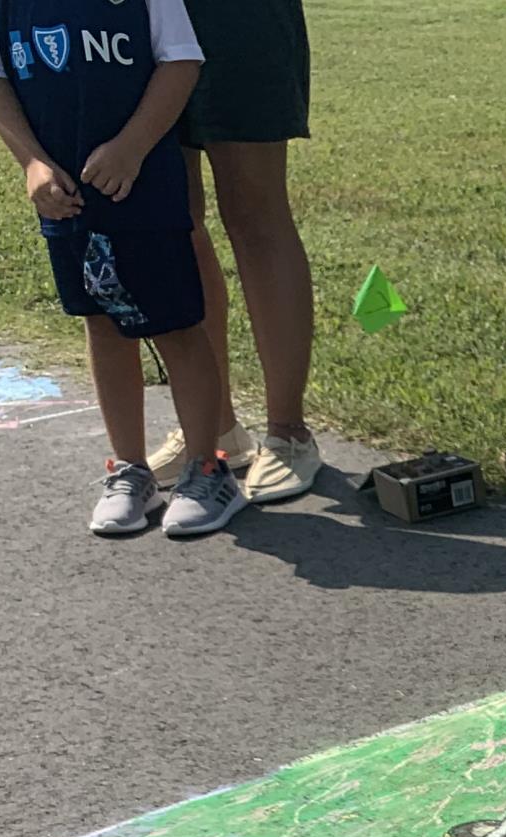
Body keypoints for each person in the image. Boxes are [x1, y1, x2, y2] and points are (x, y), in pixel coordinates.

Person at [0, 0, 246, 538]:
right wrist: (32, 163)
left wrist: (132, 148)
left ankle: (208, 469)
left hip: (141, 178)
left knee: (177, 324)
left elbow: (181, 59)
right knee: (102, 321)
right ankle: (129, 469)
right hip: (63, 189)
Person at [141, 0, 322, 504]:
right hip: (141, 19)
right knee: (177, 220)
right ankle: (215, 429)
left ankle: (288, 432)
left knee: (255, 215)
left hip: (241, 18)